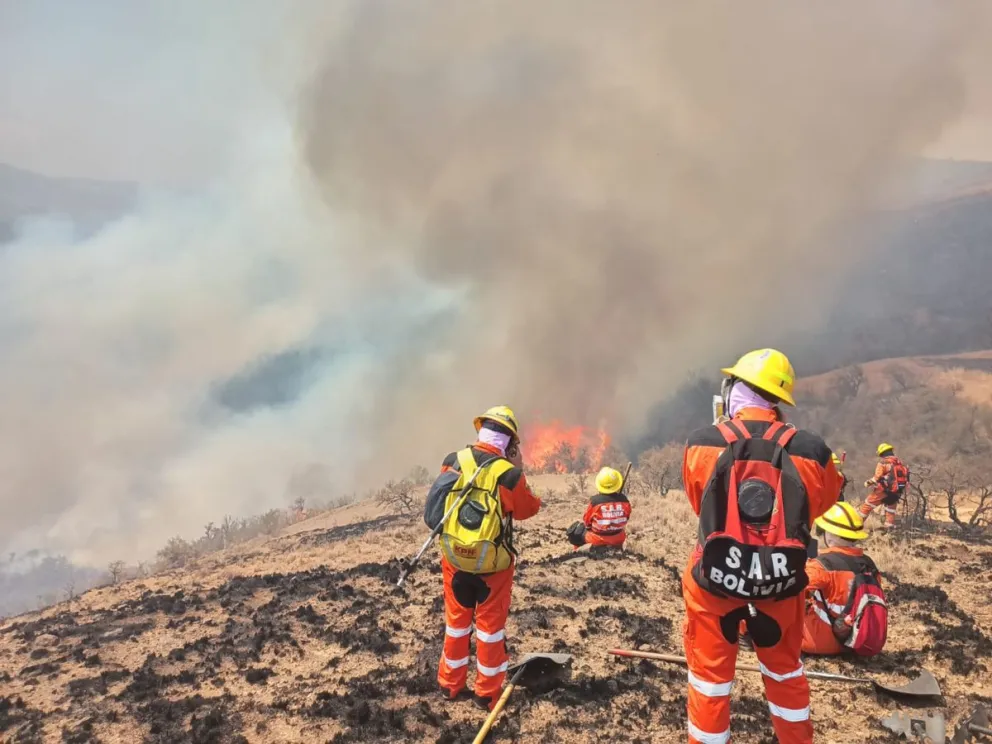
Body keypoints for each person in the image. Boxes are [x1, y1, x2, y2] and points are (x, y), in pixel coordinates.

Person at [681, 348, 842, 744]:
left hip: (715, 582)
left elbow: (699, 502)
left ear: (734, 389)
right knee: (785, 673)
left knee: (710, 681)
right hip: (781, 585)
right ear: (777, 400)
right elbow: (823, 502)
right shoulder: (811, 450)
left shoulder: (702, 443)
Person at [424, 406, 542, 710]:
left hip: (454, 560)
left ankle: (450, 685)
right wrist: (518, 469)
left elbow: (439, 501)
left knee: (456, 624)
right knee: (489, 630)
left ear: (481, 431)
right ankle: (486, 693)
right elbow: (528, 509)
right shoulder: (509, 475)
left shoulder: (453, 461)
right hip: (493, 567)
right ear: (510, 442)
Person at [803, 502, 886, 656]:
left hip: (820, 642)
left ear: (830, 534)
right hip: (858, 641)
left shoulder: (821, 565)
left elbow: (794, 589)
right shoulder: (869, 565)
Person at [566, 466, 632, 550]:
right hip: (618, 538)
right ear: (617, 484)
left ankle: (577, 553)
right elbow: (627, 517)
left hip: (597, 539)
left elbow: (587, 522)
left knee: (576, 532)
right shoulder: (625, 501)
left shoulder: (595, 502)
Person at [859, 443, 909, 530]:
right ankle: (889, 530)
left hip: (882, 491)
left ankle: (856, 525)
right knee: (890, 510)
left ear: (882, 453)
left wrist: (867, 483)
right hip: (897, 491)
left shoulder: (883, 463)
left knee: (867, 505)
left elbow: (877, 477)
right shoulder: (900, 463)